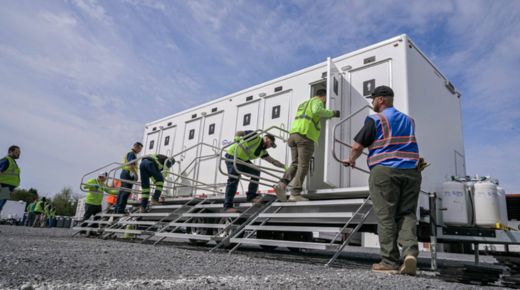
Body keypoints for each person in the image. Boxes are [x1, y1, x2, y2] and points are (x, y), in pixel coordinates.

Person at [341, 85, 421, 275]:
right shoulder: (409, 120)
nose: (372, 103)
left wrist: (351, 159)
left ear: (380, 100)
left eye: (373, 99)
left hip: (385, 171)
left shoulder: (375, 118)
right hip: (412, 172)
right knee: (407, 214)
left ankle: (389, 261)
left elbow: (358, 145)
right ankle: (410, 254)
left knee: (386, 216)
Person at [274, 89, 340, 201]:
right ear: (323, 97)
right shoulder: (317, 101)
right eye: (325, 100)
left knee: (295, 164)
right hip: (305, 136)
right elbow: (317, 111)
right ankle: (295, 193)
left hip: (293, 135)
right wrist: (332, 113)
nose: (324, 103)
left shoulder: (304, 103)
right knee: (303, 165)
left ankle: (282, 184)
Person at [224, 131, 286, 212]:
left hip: (243, 160)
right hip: (233, 156)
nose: (269, 147)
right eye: (270, 144)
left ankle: (251, 196)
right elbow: (239, 132)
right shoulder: (255, 137)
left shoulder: (262, 152)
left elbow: (273, 161)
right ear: (266, 138)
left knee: (256, 171)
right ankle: (227, 206)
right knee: (233, 179)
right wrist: (237, 138)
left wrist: (285, 167)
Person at [115, 142, 143, 214]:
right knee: (126, 192)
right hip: (128, 174)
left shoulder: (129, 153)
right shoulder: (132, 154)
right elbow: (131, 165)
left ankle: (117, 209)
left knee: (122, 192)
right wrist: (135, 174)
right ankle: (120, 210)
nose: (140, 151)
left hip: (124, 173)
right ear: (137, 147)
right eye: (140, 149)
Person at [0, 145, 21, 214]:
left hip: (7, 188)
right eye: (17, 152)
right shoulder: (6, 160)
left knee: (1, 205)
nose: (19, 154)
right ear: (10, 151)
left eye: (19, 152)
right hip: (3, 187)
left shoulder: (12, 161)